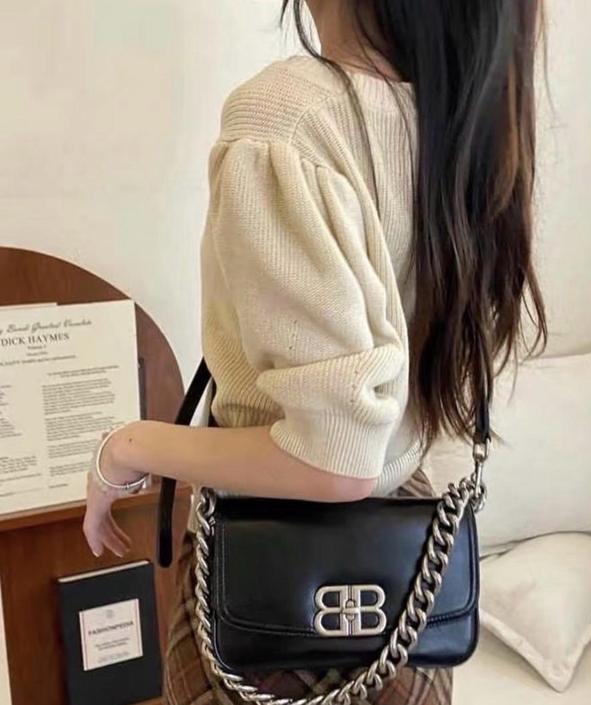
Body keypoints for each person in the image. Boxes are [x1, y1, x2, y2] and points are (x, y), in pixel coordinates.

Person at [83, 1, 547, 703]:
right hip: (407, 586)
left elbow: (334, 458)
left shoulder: (286, 120)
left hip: (265, 587)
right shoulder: (457, 114)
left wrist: (131, 446)